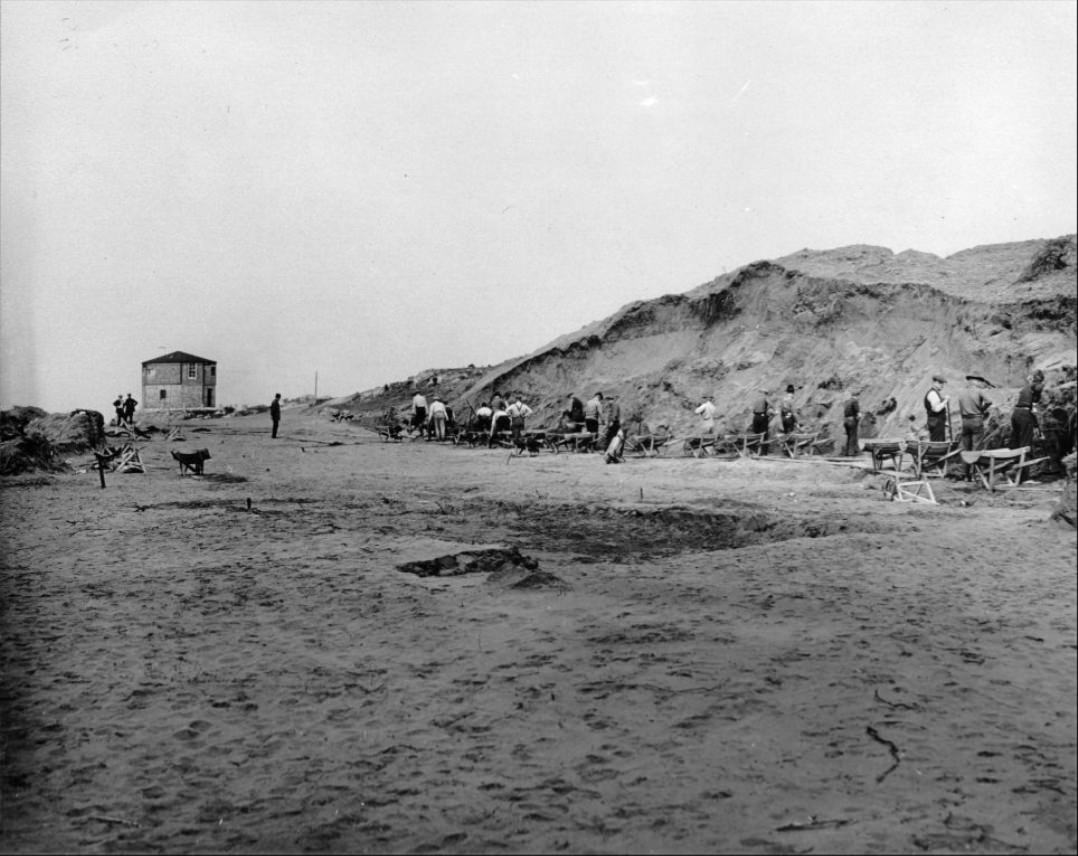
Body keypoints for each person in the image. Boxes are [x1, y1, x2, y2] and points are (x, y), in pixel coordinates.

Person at [957, 376, 993, 478]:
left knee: (965, 447)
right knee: (977, 447)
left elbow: (960, 407)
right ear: (976, 382)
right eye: (979, 381)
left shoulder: (961, 392)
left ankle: (965, 473)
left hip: (965, 420)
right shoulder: (979, 391)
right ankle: (975, 473)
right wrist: (981, 409)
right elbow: (989, 401)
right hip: (976, 419)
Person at [1010, 369, 1045, 450]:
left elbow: (1032, 413)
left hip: (1015, 413)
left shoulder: (1025, 388)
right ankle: (1024, 458)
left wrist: (1036, 426)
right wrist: (1042, 385)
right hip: (1024, 415)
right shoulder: (1035, 386)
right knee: (1026, 440)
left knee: (1015, 438)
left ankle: (1012, 457)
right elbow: (1038, 388)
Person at [924, 374, 950, 442]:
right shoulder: (932, 394)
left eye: (942, 383)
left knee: (938, 441)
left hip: (936, 422)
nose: (942, 385)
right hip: (936, 423)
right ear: (934, 382)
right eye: (940, 383)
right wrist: (946, 401)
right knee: (937, 442)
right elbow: (936, 409)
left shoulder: (935, 393)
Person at [750, 388, 774, 455]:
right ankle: (763, 452)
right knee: (764, 434)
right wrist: (772, 409)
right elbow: (771, 404)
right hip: (762, 416)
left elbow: (753, 410)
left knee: (756, 434)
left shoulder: (756, 399)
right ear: (765, 393)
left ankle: (756, 450)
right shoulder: (765, 398)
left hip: (755, 417)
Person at [842, 389, 861, 456]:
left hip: (846, 421)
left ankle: (847, 452)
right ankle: (851, 453)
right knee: (853, 437)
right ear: (857, 395)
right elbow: (858, 414)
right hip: (852, 421)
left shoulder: (847, 401)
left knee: (849, 437)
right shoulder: (855, 401)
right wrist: (858, 418)